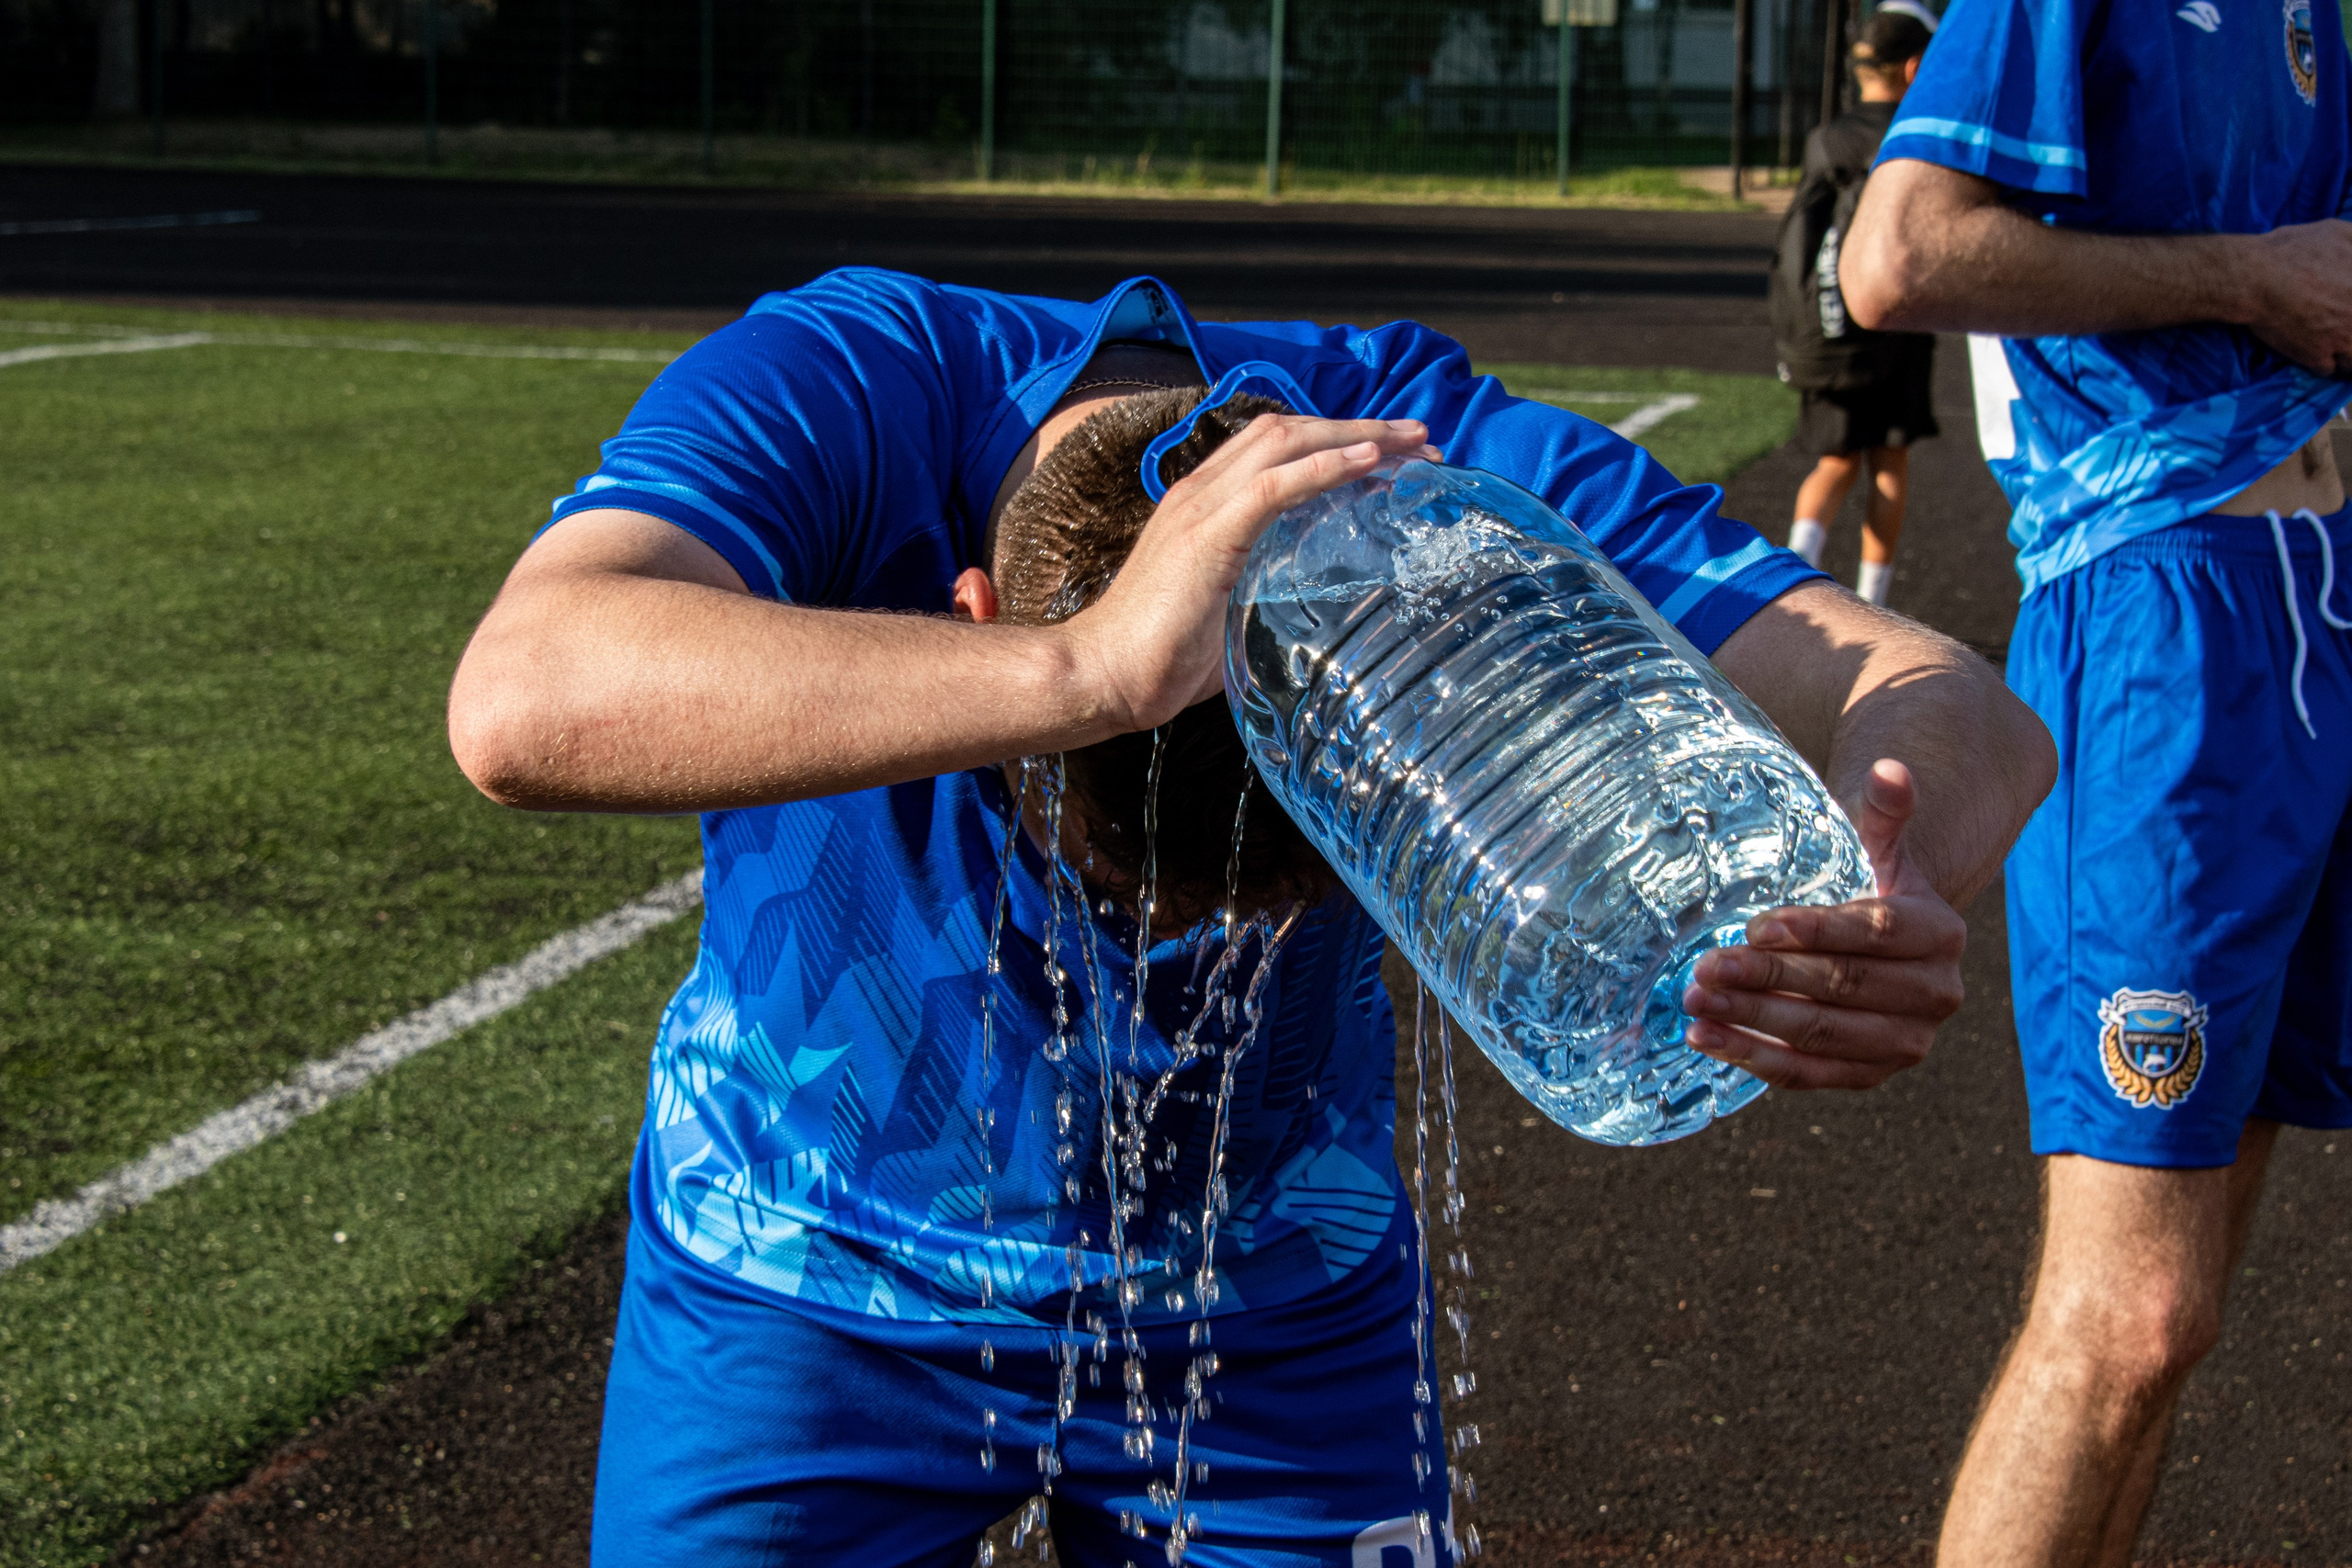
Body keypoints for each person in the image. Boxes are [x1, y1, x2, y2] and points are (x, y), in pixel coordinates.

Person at [446, 266, 2053, 1567]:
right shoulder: (854, 373)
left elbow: (1940, 690)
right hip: (810, 1275)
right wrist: (1085, 676)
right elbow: (522, 695)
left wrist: (1884, 868)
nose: (1165, 967)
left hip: (1274, 1287)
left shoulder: (1422, 465)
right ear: (976, 617)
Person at [1838, 0, 2352, 1560]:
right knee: (2122, 1308)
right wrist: (2247, 278)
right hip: (2165, 618)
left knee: (2181, 1305)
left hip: (2320, 586)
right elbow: (1900, 252)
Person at [1774, 2, 1940, 605]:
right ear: (1917, 67)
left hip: (1831, 328)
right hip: (1901, 328)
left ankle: (1791, 588)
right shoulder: (1920, 140)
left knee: (1834, 461)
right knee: (1888, 464)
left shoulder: (1827, 139)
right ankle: (1874, 600)